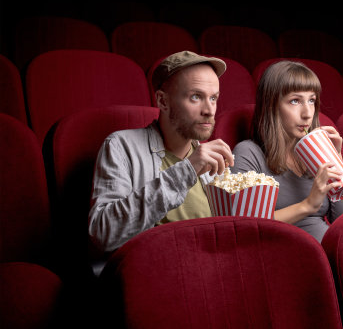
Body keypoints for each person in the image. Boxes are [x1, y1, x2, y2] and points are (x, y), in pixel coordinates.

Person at [88, 51, 235, 254]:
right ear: (162, 101)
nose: (209, 110)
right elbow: (103, 233)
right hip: (159, 269)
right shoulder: (120, 146)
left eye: (213, 98)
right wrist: (187, 170)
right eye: (196, 97)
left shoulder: (212, 157)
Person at [232, 60, 343, 242]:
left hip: (328, 252)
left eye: (312, 100)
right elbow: (244, 226)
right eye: (295, 101)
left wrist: (336, 161)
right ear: (271, 106)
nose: (307, 113)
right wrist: (307, 205)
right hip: (282, 255)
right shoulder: (248, 152)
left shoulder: (315, 155)